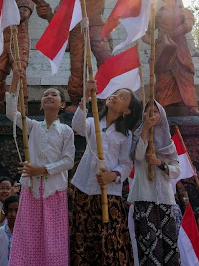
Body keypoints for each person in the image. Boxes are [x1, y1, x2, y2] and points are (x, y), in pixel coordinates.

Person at [35, 0, 149, 112]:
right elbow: (60, 17)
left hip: (96, 27)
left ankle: (110, 100)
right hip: (76, 32)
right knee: (77, 68)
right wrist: (47, 15)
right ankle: (77, 102)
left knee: (106, 60)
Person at [70, 80, 142, 265]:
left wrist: (114, 175)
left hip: (109, 192)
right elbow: (77, 126)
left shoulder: (125, 135)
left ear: (127, 111)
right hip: (84, 188)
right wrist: (85, 96)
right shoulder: (93, 121)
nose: (115, 96)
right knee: (84, 237)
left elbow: (126, 164)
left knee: (110, 237)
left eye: (122, 97)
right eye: (116, 93)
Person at [6, 75, 75, 266]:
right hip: (31, 189)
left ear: (62, 105)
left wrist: (42, 169)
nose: (49, 96)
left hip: (55, 190)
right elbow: (12, 114)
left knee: (53, 239)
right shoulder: (34, 126)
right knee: (28, 235)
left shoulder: (66, 131)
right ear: (41, 104)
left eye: (54, 94)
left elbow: (68, 160)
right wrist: (14, 85)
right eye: (46, 95)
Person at [128, 100, 180, 265]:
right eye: (148, 111)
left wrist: (160, 163)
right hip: (144, 196)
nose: (152, 114)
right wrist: (144, 129)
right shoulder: (136, 135)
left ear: (162, 116)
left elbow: (176, 170)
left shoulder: (167, 142)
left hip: (165, 198)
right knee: (149, 245)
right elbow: (137, 156)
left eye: (156, 112)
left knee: (169, 244)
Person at [142, 0, 199, 115]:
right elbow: (145, 34)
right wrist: (156, 43)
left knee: (185, 75)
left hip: (180, 49)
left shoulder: (184, 11)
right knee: (163, 78)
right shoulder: (158, 14)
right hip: (164, 51)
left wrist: (171, 35)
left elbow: (188, 25)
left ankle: (192, 107)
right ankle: (162, 109)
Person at [0, 195, 19, 266]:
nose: (13, 214)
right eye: (10, 210)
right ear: (5, 212)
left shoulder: (26, 234)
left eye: (17, 210)